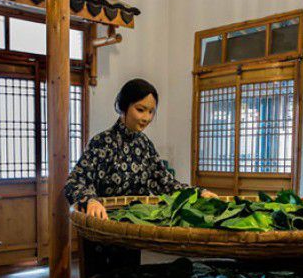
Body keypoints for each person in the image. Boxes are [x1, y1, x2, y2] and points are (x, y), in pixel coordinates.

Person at [65, 78, 217, 219]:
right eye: (140, 110)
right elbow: (74, 181)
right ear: (123, 107)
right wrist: (90, 201)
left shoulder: (145, 144)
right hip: (104, 223)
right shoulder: (101, 142)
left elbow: (165, 183)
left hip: (137, 223)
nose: (146, 118)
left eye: (151, 112)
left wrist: (197, 193)